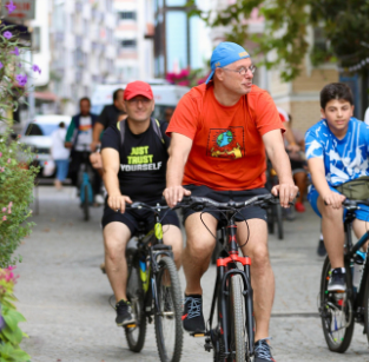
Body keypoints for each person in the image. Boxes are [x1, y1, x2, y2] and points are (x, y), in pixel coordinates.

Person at [162, 42, 297, 362]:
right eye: (242, 70)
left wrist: (287, 180)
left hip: (249, 189)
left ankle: (262, 341)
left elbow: (277, 148)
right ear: (219, 74)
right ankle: (193, 292)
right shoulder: (194, 100)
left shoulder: (260, 100)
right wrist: (172, 186)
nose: (250, 74)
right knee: (201, 244)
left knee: (260, 254)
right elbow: (178, 152)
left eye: (251, 68)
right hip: (202, 189)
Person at [306, 83, 369, 292]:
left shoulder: (365, 132)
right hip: (327, 192)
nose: (339, 114)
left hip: (363, 196)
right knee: (333, 208)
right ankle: (338, 271)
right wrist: (328, 194)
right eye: (332, 109)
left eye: (344, 108)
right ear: (323, 112)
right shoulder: (315, 135)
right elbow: (317, 173)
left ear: (352, 109)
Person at [100, 81, 183, 328]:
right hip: (124, 204)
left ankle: (166, 291)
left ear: (152, 103)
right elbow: (109, 168)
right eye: (134, 100)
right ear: (124, 104)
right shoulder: (114, 133)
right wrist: (114, 193)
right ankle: (123, 303)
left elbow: (176, 159)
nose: (139, 104)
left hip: (159, 204)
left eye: (144, 100)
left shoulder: (163, 130)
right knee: (113, 244)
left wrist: (173, 186)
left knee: (175, 246)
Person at [64, 97, 99, 190]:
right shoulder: (75, 119)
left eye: (86, 106)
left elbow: (100, 131)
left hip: (92, 149)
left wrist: (99, 141)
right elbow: (70, 132)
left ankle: (96, 192)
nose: (84, 109)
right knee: (73, 170)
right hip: (78, 148)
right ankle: (77, 187)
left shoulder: (95, 119)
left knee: (97, 171)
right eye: (82, 106)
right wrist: (68, 141)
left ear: (90, 107)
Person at [50, 121, 69, 190]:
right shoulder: (66, 133)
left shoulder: (54, 133)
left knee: (59, 169)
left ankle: (58, 182)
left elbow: (52, 144)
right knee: (62, 169)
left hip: (55, 154)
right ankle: (58, 183)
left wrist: (51, 154)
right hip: (64, 154)